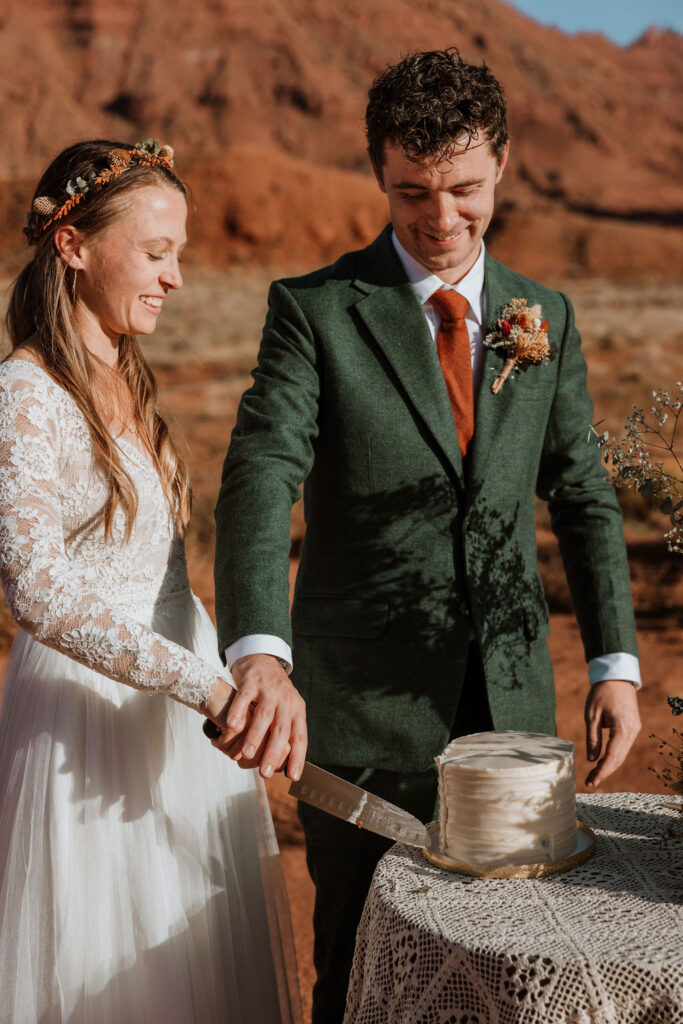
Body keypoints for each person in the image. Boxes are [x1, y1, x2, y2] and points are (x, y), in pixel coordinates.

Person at [214, 49, 641, 1023]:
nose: (440, 218)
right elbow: (259, 472)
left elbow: (580, 493)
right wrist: (261, 656)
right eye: (411, 191)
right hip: (360, 720)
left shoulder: (549, 315)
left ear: (501, 167)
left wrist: (612, 662)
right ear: (377, 173)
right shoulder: (315, 311)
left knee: (518, 971)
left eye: (463, 190)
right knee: (361, 968)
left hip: (513, 713)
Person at [0, 139, 302, 1024]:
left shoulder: (125, 372)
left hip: (189, 718)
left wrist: (226, 677)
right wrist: (204, 685)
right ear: (74, 247)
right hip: (91, 730)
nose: (175, 278)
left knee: (199, 961)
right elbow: (39, 594)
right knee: (119, 976)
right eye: (156, 252)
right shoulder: (23, 394)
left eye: (180, 254)